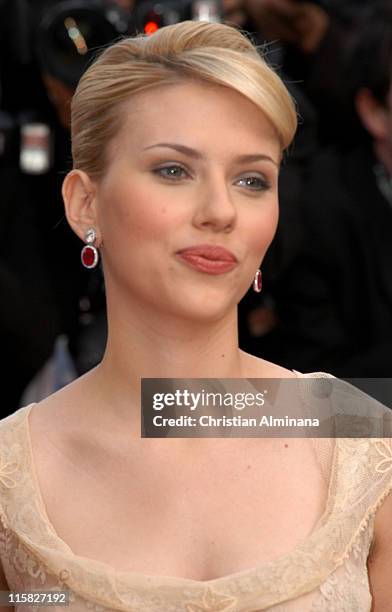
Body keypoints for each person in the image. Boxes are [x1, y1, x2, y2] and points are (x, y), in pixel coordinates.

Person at [0, 20, 391, 612]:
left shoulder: (356, 434)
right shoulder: (11, 477)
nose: (220, 210)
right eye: (174, 170)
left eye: (252, 179)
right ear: (85, 203)